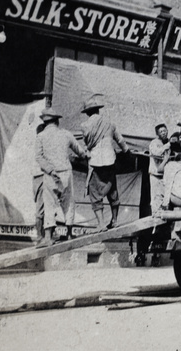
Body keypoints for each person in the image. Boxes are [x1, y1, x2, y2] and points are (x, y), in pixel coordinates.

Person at [36, 107, 89, 248]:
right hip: (65, 172)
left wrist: (49, 169)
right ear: (57, 121)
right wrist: (86, 154)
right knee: (69, 203)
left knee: (49, 204)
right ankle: (70, 234)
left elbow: (38, 157)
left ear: (45, 122)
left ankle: (48, 237)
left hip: (50, 174)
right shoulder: (66, 134)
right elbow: (80, 151)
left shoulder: (40, 136)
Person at [81, 94, 130, 231]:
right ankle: (114, 221)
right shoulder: (110, 122)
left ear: (87, 113)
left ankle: (101, 224)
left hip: (95, 161)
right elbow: (120, 141)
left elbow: (87, 143)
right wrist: (126, 151)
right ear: (97, 110)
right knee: (112, 189)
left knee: (95, 192)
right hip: (110, 160)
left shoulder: (84, 125)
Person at [148, 123, 172, 215]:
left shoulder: (167, 142)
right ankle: (154, 215)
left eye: (165, 131)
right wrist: (168, 145)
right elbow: (156, 152)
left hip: (164, 175)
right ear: (157, 134)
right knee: (155, 197)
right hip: (155, 175)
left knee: (164, 197)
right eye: (161, 131)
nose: (163, 133)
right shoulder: (154, 142)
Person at [32, 123, 45, 242]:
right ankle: (40, 236)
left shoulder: (35, 143)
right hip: (41, 176)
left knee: (40, 207)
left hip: (36, 178)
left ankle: (41, 235)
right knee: (41, 208)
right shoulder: (41, 144)